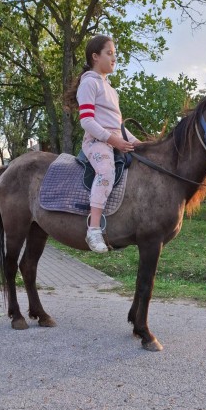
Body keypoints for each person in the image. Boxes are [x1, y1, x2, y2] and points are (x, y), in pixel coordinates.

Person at [65, 35, 140, 253]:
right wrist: (112, 140)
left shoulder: (111, 90)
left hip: (113, 139)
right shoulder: (89, 83)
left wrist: (139, 144)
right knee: (106, 171)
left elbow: (118, 127)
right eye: (109, 53)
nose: (114, 57)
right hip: (96, 142)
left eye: (114, 53)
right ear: (95, 57)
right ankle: (94, 229)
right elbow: (87, 121)